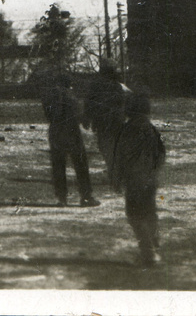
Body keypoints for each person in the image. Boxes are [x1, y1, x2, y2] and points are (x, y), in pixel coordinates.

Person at [112, 91, 166, 267]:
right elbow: (161, 153)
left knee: (135, 215)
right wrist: (153, 170)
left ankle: (148, 252)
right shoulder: (151, 129)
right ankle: (154, 243)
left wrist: (117, 178)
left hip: (134, 180)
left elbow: (119, 156)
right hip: (150, 179)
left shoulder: (127, 129)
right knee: (149, 212)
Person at [39, 71, 99, 207]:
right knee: (80, 163)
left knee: (58, 165)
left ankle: (62, 198)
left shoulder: (49, 96)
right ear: (68, 84)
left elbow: (48, 113)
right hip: (71, 131)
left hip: (55, 131)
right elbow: (78, 113)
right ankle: (86, 196)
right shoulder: (70, 96)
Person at [83, 59, 128, 180]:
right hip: (116, 121)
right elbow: (124, 102)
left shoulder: (96, 85)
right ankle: (117, 171)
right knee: (114, 146)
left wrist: (87, 118)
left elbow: (89, 102)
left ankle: (114, 171)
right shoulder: (117, 85)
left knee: (105, 146)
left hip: (103, 121)